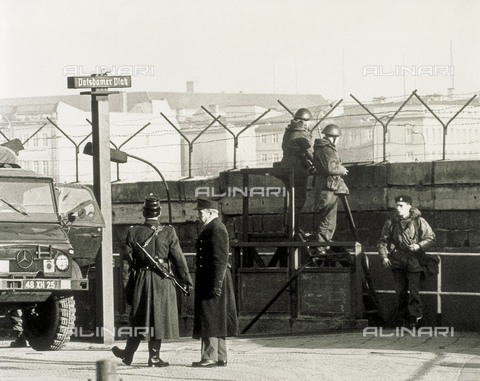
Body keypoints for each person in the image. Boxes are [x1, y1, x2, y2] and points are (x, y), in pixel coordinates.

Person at [112, 194, 193, 367]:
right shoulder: (169, 231)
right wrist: (186, 280)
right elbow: (179, 259)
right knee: (159, 318)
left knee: (139, 318)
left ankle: (129, 354)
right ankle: (151, 357)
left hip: (142, 280)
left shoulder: (133, 231)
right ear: (160, 212)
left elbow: (126, 264)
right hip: (163, 279)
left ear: (143, 212)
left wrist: (127, 287)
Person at [192, 198, 239, 368]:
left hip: (212, 278)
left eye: (201, 212)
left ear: (211, 212)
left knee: (209, 317)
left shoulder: (216, 228)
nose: (198, 215)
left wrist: (216, 284)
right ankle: (221, 356)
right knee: (217, 317)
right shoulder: (212, 227)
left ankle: (209, 357)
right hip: (212, 278)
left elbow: (220, 259)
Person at [378, 195, 436, 328]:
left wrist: (419, 246)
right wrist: (384, 257)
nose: (398, 208)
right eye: (397, 205)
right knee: (400, 292)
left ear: (409, 207)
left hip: (414, 260)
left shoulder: (419, 221)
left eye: (401, 205)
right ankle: (402, 319)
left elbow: (431, 238)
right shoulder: (391, 222)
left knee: (414, 291)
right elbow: (383, 241)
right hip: (397, 261)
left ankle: (416, 319)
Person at [312, 124, 349, 254]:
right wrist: (342, 169)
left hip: (327, 186)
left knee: (327, 218)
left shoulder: (322, 148)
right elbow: (330, 168)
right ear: (332, 137)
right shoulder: (326, 149)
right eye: (337, 137)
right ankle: (321, 247)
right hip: (328, 188)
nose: (338, 140)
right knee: (327, 218)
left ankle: (324, 244)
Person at [279, 108, 314, 225]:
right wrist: (319, 164)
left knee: (293, 200)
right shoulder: (302, 132)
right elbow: (310, 152)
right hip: (297, 169)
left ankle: (292, 229)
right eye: (309, 122)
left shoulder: (289, 130)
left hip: (286, 167)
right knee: (298, 200)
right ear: (304, 121)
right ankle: (293, 230)